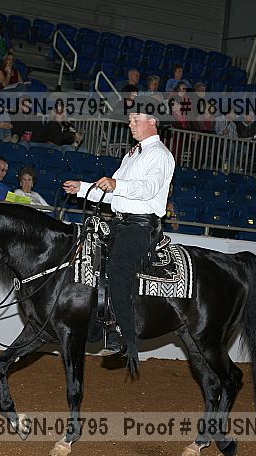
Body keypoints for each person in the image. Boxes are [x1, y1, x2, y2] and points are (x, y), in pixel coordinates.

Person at [62, 97, 174, 375]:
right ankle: (94, 322)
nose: (130, 123)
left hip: (141, 227)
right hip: (121, 223)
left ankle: (124, 334)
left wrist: (116, 184)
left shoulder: (160, 155)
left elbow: (147, 189)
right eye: (130, 119)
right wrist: (83, 188)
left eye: (136, 119)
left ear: (152, 121)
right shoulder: (132, 154)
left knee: (117, 269)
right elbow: (115, 193)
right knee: (86, 257)